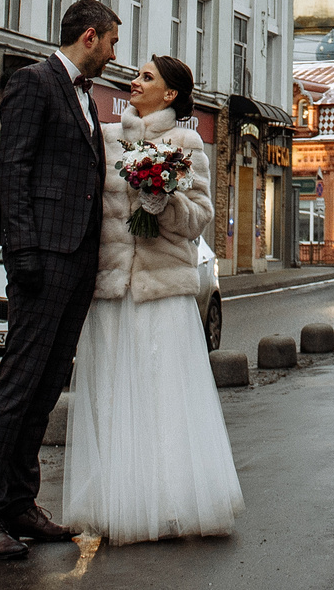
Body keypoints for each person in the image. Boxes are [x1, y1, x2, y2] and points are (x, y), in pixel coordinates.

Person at [0, 0, 121, 562]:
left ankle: (18, 503)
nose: (114, 53)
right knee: (17, 387)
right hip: (43, 259)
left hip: (77, 261)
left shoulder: (85, 96)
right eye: (112, 42)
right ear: (89, 36)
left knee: (47, 387)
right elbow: (14, 170)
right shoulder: (34, 82)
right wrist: (23, 254)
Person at [65, 55, 242, 543]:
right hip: (112, 288)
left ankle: (169, 501)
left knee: (162, 396)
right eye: (136, 75)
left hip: (161, 290)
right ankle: (116, 499)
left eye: (146, 77)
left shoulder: (187, 144)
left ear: (170, 94)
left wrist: (163, 200)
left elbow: (199, 218)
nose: (134, 81)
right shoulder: (106, 139)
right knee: (110, 395)